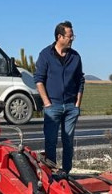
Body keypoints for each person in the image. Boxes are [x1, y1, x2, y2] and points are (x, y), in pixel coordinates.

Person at [33, 21, 84, 176]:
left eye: (72, 36)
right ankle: (52, 173)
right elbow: (39, 80)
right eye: (70, 36)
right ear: (59, 36)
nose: (72, 39)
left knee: (68, 141)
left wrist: (77, 104)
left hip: (70, 106)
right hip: (52, 106)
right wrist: (47, 103)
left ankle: (66, 173)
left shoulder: (75, 57)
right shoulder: (45, 55)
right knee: (51, 141)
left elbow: (80, 80)